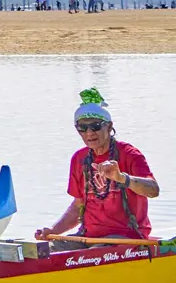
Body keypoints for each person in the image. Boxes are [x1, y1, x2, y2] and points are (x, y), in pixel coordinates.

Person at [35, 88, 159, 244]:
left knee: (93, 253)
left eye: (95, 126)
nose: (89, 133)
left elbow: (153, 190)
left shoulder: (130, 154)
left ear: (109, 126)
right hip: (88, 236)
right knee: (44, 251)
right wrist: (54, 231)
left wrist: (121, 178)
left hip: (125, 239)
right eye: (82, 127)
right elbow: (78, 206)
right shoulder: (79, 159)